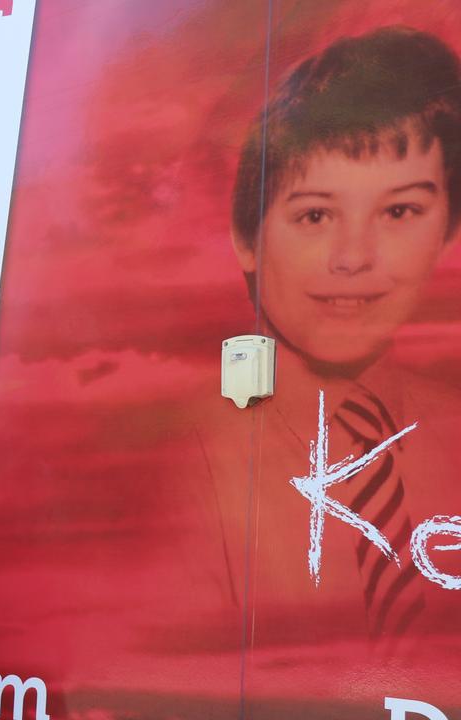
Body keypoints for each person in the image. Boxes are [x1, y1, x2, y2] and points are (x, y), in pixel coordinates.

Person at [185, 25, 461, 709]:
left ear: (448, 228)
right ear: (246, 239)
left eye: (400, 210)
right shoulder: (189, 460)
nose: (354, 257)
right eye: (314, 215)